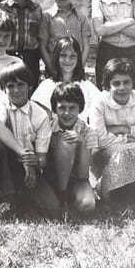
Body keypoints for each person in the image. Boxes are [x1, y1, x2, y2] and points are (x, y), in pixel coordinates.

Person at [0, 60, 61, 219]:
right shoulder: (0, 104)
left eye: (20, 85)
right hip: (3, 166)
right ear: (3, 89)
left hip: (29, 170)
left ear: (30, 86)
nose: (16, 90)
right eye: (10, 86)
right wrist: (23, 154)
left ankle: (21, 199)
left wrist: (33, 162)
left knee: (53, 210)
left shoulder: (40, 114)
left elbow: (42, 159)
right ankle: (8, 199)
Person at [90, 58, 135, 206]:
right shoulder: (99, 101)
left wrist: (123, 129)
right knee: (130, 150)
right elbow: (100, 139)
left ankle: (132, 191)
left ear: (132, 82)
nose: (122, 88)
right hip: (104, 153)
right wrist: (130, 139)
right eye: (116, 83)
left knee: (134, 149)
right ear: (108, 85)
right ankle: (113, 191)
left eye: (127, 82)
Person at [45, 83, 101, 215]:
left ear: (80, 108)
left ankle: (67, 198)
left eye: (72, 108)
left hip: (77, 180)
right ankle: (60, 196)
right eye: (62, 108)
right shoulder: (46, 127)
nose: (67, 113)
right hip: (51, 178)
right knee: (67, 142)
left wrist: (82, 143)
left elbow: (82, 174)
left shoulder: (88, 132)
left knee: (88, 204)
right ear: (54, 108)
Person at [0, 0, 46, 88]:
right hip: (6, 56)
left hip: (30, 59)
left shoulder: (36, 9)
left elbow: (40, 37)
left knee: (29, 89)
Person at [30, 36, 100, 121]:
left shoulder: (87, 87)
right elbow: (40, 120)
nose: (67, 60)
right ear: (57, 57)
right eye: (63, 55)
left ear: (78, 58)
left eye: (72, 56)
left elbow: (98, 113)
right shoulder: (47, 86)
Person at [39, 0, 91, 76]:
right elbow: (42, 47)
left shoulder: (80, 17)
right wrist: (52, 70)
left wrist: (79, 69)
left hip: (76, 70)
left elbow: (86, 47)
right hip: (54, 70)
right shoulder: (46, 17)